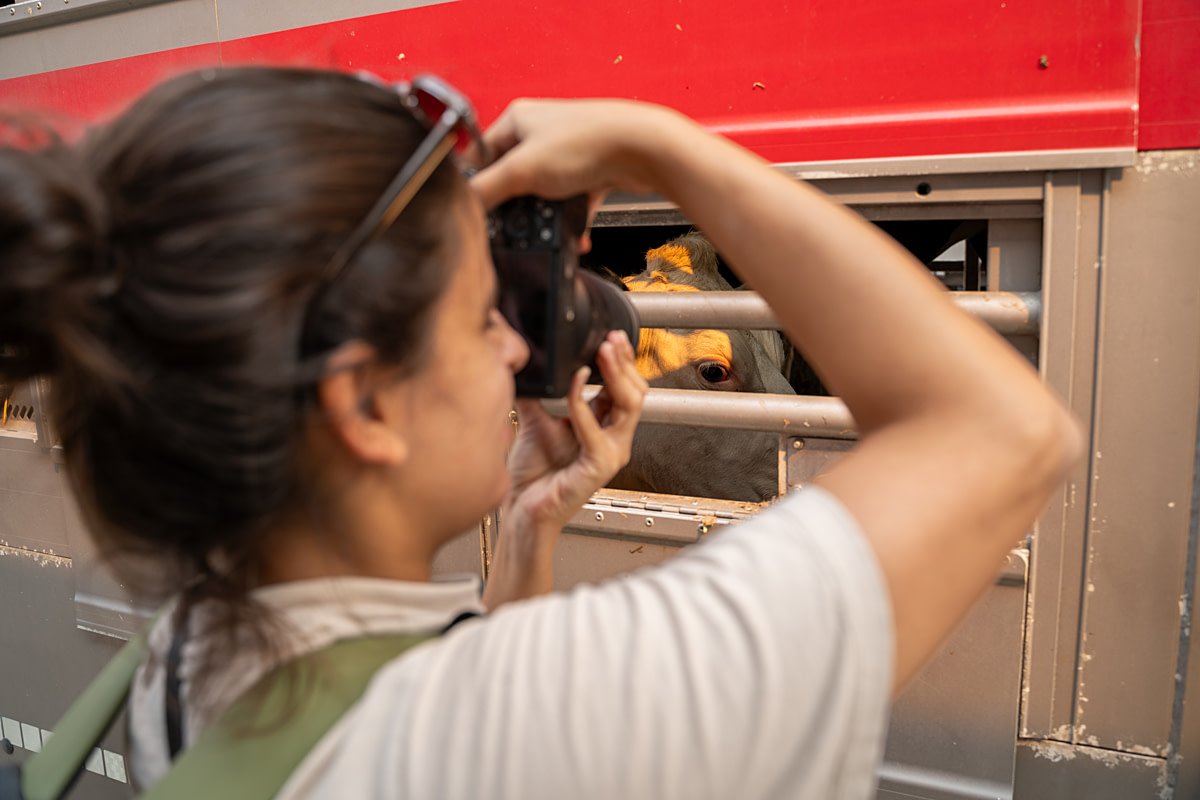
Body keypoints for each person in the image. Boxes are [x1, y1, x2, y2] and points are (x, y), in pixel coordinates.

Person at [0, 67, 1082, 799]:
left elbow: (465, 705)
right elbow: (1007, 428)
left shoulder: (183, 661)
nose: (519, 355)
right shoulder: (561, 712)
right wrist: (665, 148)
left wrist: (527, 531)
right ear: (362, 404)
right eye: (481, 315)